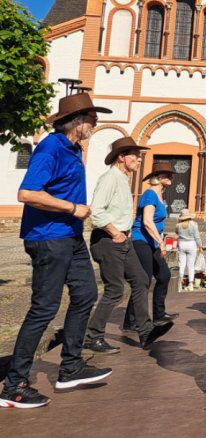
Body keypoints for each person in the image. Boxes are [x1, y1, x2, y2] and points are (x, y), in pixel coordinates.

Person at [2, 94, 114, 408]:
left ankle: (70, 366)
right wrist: (71, 207)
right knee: (44, 308)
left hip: (71, 236)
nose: (95, 123)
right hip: (48, 237)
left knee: (85, 293)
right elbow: (26, 193)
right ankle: (14, 385)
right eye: (92, 117)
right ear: (77, 120)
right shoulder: (51, 148)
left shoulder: (73, 149)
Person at [84, 137, 171, 355]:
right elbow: (96, 211)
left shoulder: (123, 179)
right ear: (122, 157)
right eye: (135, 155)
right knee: (114, 290)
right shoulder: (110, 178)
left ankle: (145, 329)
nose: (139, 159)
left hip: (124, 238)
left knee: (141, 280)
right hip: (108, 239)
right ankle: (93, 336)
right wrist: (114, 232)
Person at [126, 162, 177, 330]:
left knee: (164, 275)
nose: (170, 177)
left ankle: (159, 315)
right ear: (158, 177)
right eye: (166, 174)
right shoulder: (149, 194)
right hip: (141, 241)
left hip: (153, 242)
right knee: (144, 280)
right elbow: (147, 221)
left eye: (170, 174)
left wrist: (160, 240)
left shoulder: (161, 197)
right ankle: (131, 321)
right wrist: (161, 242)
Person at [176, 209, 204, 291]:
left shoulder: (178, 225)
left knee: (181, 264)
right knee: (191, 265)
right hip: (192, 244)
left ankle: (179, 283)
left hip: (182, 243)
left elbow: (177, 233)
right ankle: (191, 283)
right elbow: (197, 236)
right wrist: (200, 246)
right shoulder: (194, 224)